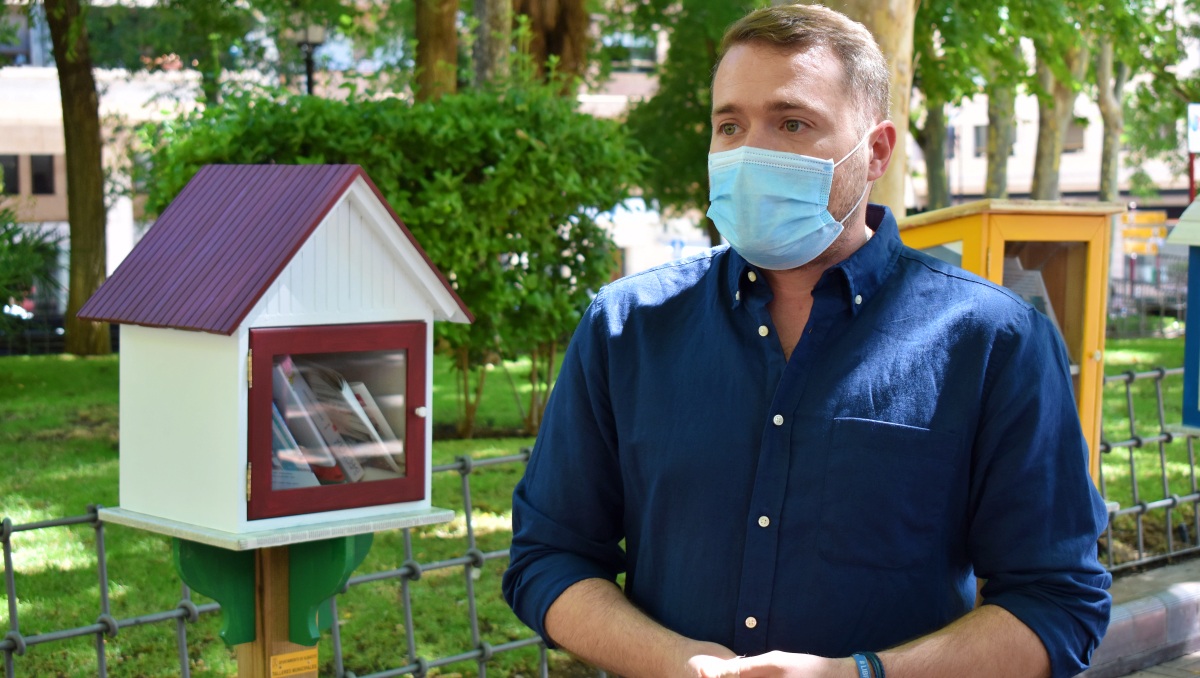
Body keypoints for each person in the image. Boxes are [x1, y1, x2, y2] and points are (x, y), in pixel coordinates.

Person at [502, 4, 1112, 677]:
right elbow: (549, 558)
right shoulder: (626, 327)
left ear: (876, 150)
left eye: (791, 123)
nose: (749, 152)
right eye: (729, 125)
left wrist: (860, 676)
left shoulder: (994, 340)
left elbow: (1057, 603)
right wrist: (687, 667)